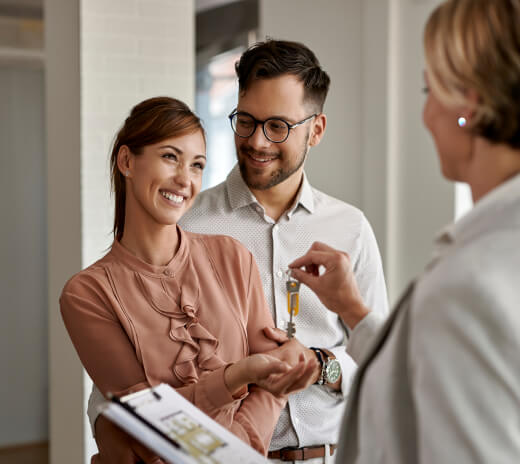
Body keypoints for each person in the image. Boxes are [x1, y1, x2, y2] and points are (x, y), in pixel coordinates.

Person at [289, 0, 520, 463]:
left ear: (471, 105)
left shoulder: (472, 287)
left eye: (429, 90)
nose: (426, 116)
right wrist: (355, 313)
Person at [89, 40, 389, 463]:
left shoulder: (351, 229)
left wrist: (321, 365)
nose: (258, 141)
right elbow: (122, 379)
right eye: (246, 122)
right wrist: (109, 425)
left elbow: (380, 359)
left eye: (278, 126)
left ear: (316, 130)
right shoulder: (186, 225)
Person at [60, 96, 317, 463]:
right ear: (126, 161)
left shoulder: (233, 257)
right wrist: (236, 376)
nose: (185, 179)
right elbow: (144, 421)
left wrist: (235, 450)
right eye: (170, 157)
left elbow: (273, 384)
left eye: (197, 165)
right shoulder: (87, 294)